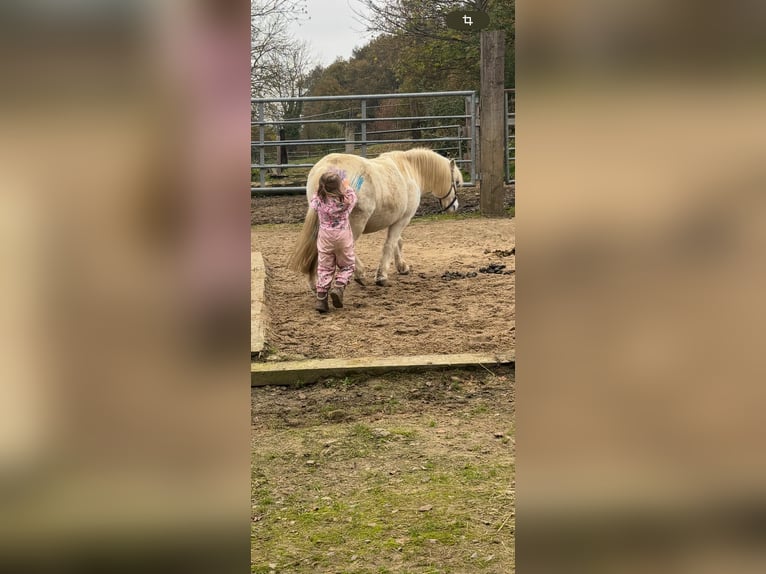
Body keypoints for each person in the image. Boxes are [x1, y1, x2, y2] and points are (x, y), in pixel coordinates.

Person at [310, 169, 357, 313]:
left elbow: (313, 202)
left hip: (325, 237)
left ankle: (321, 300)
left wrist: (320, 188)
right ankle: (339, 286)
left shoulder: (318, 200)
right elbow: (354, 196)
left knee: (324, 268)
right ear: (339, 186)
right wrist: (347, 185)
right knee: (348, 265)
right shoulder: (346, 201)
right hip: (342, 236)